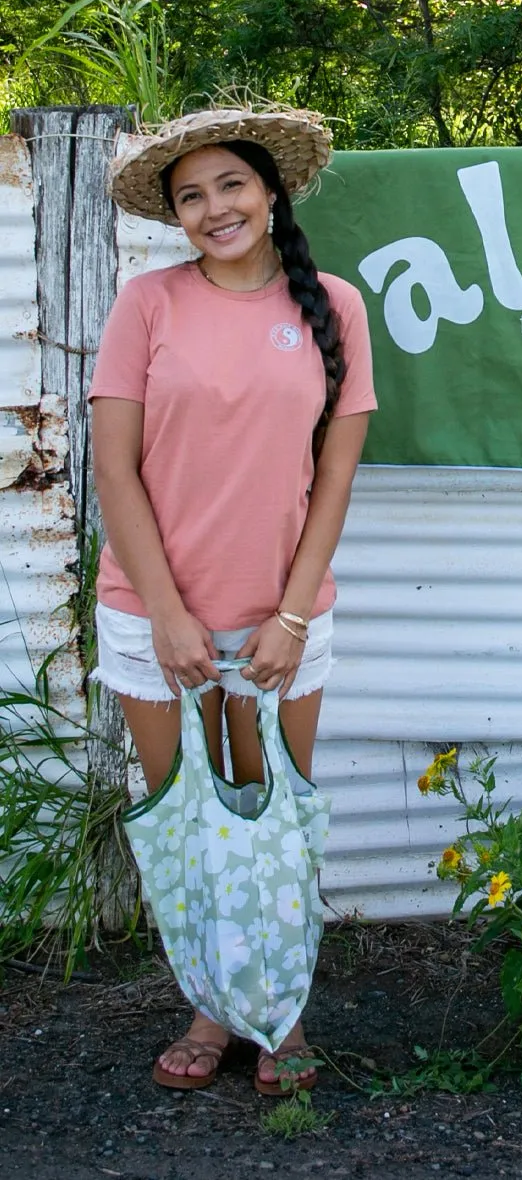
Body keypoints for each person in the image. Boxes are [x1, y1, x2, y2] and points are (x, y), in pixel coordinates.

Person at [90, 107, 376, 1093]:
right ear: (174, 215)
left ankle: (281, 1011)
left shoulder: (332, 304)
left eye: (230, 185)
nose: (214, 208)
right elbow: (114, 470)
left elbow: (334, 475)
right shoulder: (148, 304)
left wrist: (292, 615)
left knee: (274, 820)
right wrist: (166, 613)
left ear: (269, 190)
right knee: (188, 824)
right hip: (152, 614)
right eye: (190, 195)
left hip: (277, 622)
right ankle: (215, 1006)